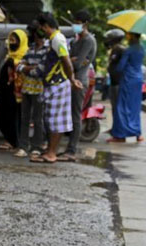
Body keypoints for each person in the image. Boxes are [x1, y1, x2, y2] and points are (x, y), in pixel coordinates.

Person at [31, 12, 83, 164]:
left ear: (46, 26)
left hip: (58, 84)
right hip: (54, 84)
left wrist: (72, 79)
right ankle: (49, 151)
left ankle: (51, 153)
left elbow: (66, 61)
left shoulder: (58, 40)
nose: (40, 30)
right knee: (51, 119)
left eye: (41, 27)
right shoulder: (55, 39)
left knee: (56, 120)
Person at [63, 9, 97, 161]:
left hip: (79, 82)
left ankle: (71, 150)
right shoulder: (77, 39)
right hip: (71, 80)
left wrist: (70, 60)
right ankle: (67, 148)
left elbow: (77, 63)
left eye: (78, 23)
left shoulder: (88, 40)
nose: (75, 26)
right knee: (69, 115)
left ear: (85, 24)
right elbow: (72, 59)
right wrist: (71, 59)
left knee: (75, 116)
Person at [17, 23, 48, 158]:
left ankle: (37, 146)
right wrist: (29, 67)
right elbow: (19, 65)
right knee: (24, 118)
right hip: (27, 88)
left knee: (38, 119)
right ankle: (23, 146)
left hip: (40, 89)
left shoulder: (47, 50)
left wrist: (27, 68)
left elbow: (40, 70)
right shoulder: (31, 49)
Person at [108, 32, 145, 143]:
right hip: (138, 80)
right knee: (135, 107)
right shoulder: (142, 49)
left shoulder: (129, 50)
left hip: (128, 80)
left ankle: (120, 135)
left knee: (122, 107)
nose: (127, 38)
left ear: (133, 36)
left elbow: (120, 67)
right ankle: (138, 134)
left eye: (129, 35)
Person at [0, 29, 28, 154]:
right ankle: (9, 139)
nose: (11, 43)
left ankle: (14, 142)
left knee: (14, 117)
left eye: (14, 41)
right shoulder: (9, 55)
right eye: (11, 40)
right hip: (5, 91)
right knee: (2, 116)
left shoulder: (24, 55)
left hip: (16, 92)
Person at [104, 29, 126, 125]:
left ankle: (118, 129)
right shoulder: (115, 49)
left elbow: (116, 65)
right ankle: (115, 128)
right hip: (114, 82)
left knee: (117, 107)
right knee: (114, 106)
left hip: (118, 82)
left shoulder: (119, 49)